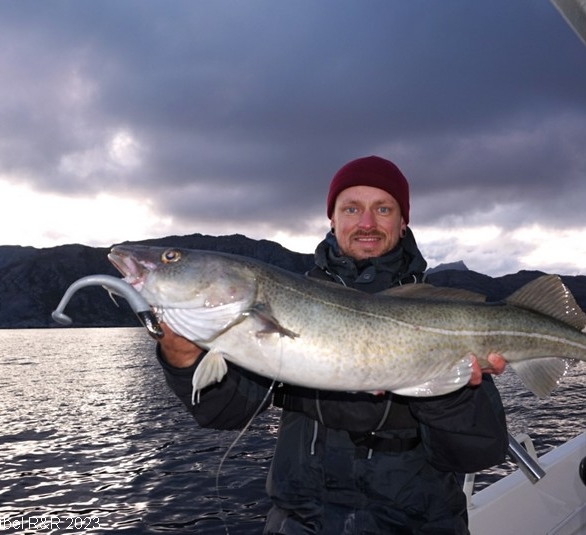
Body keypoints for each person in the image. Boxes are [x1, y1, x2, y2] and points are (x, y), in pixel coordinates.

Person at [155, 155, 509, 534]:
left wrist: (449, 392)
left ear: (403, 221)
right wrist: (183, 360)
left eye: (383, 209)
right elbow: (226, 414)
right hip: (301, 521)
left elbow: (479, 452)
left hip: (417, 522)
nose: (367, 223)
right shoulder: (284, 303)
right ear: (333, 219)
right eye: (352, 208)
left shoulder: (438, 311)